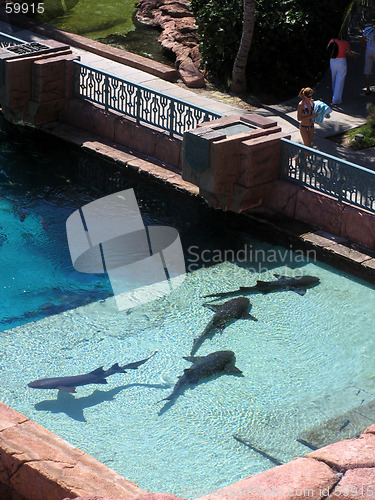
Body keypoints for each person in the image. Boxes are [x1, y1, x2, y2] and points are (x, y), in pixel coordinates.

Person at [328, 37, 356, 105]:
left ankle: (334, 94)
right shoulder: (345, 43)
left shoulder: (332, 40)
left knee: (333, 78)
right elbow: (349, 53)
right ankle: (336, 99)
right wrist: (354, 56)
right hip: (341, 61)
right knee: (340, 80)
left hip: (332, 60)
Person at [362, 22, 375, 94]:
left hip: (369, 51)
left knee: (367, 70)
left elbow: (362, 41)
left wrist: (364, 49)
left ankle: (367, 88)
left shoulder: (368, 29)